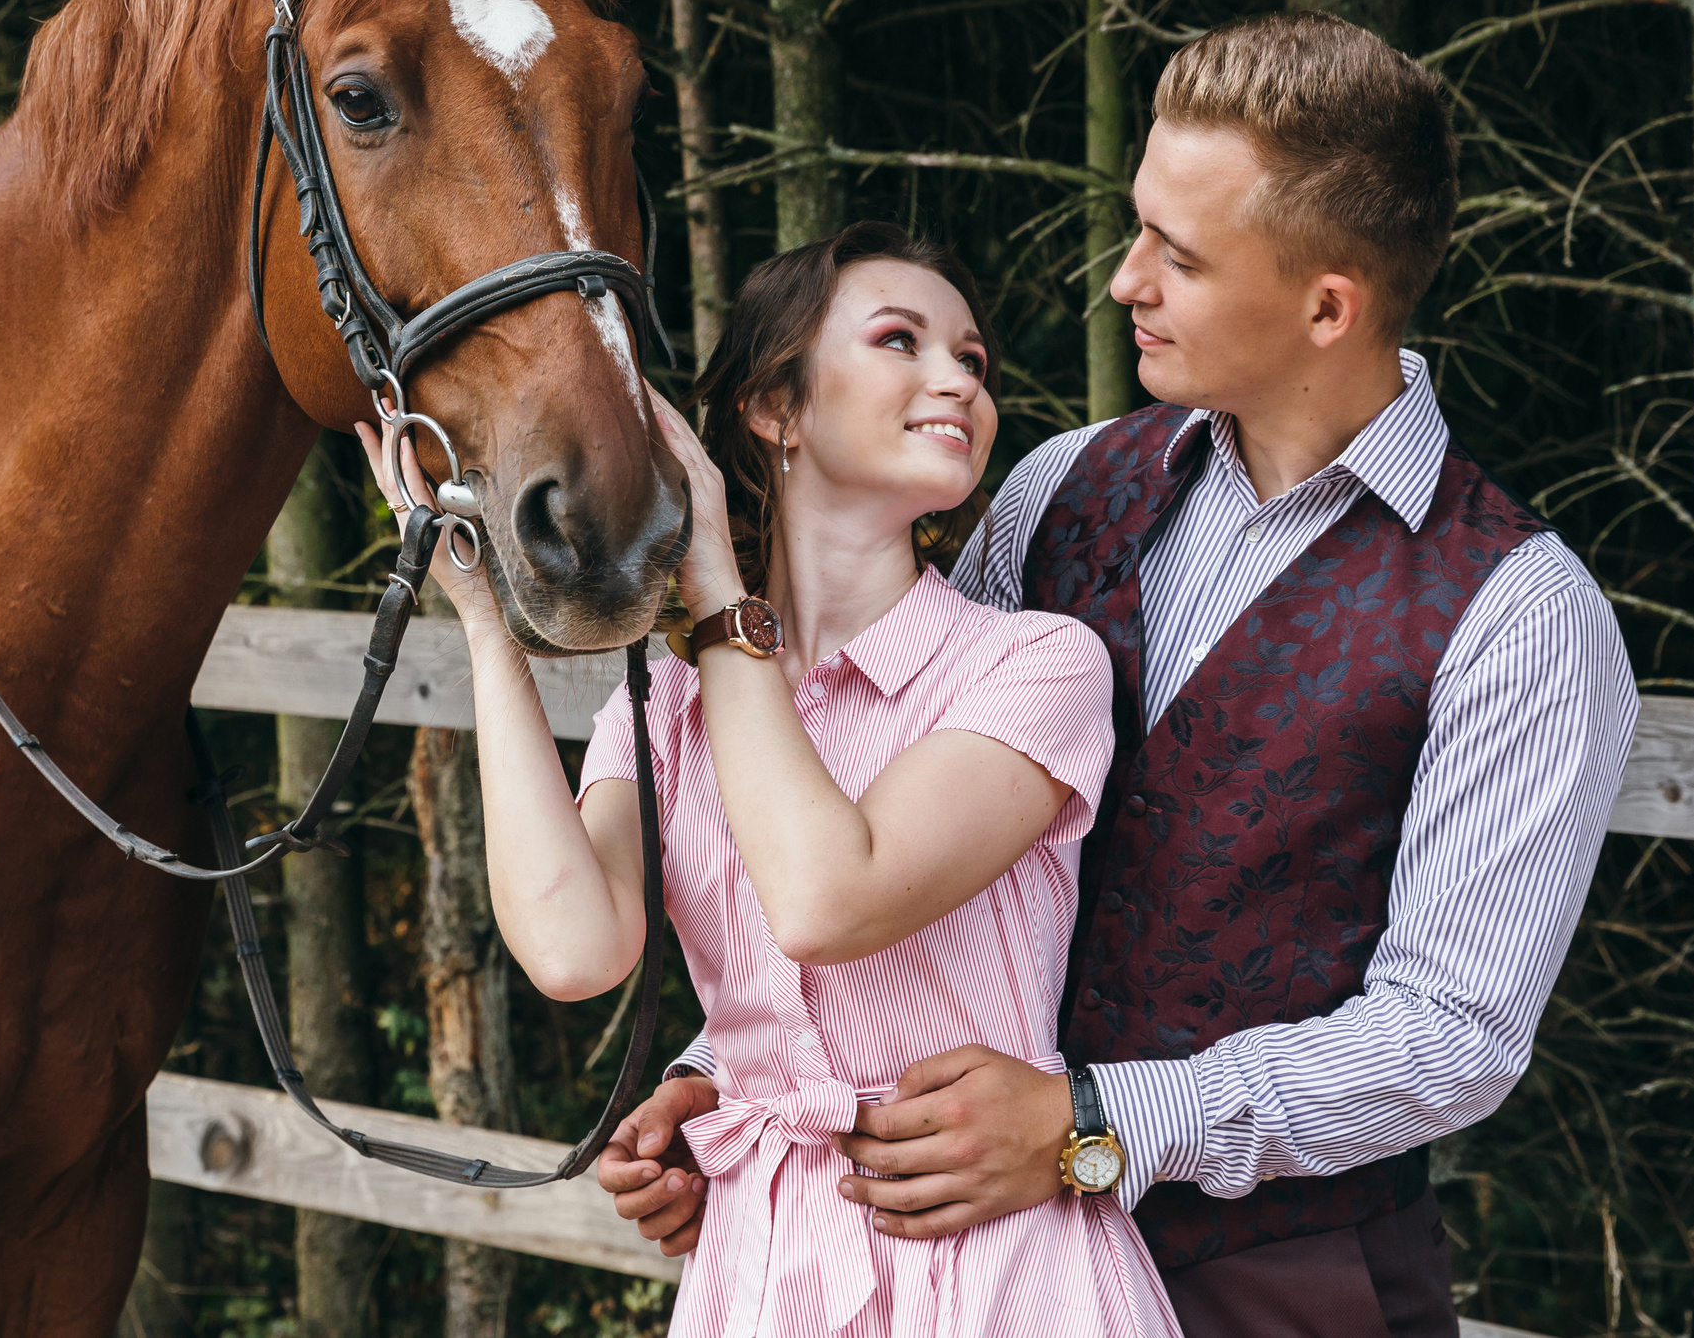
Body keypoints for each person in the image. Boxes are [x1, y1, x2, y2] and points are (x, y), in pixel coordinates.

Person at [598, 13, 1639, 1338]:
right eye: (1136, 226)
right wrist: (742, 1075)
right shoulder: (1059, 490)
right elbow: (891, 823)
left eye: (1177, 255)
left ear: (1328, 306)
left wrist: (1090, 1126)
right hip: (971, 1277)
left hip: (1286, 1282)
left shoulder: (1520, 614)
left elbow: (1451, 1037)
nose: (1121, 280)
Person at [361, 222, 1180, 1336]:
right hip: (759, 1276)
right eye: (901, 340)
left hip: (994, 1271)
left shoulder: (1035, 665)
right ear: (775, 408)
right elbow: (572, 949)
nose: (958, 380)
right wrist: (480, 619)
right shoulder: (667, 710)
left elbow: (827, 898)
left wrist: (716, 595)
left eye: (972, 360)